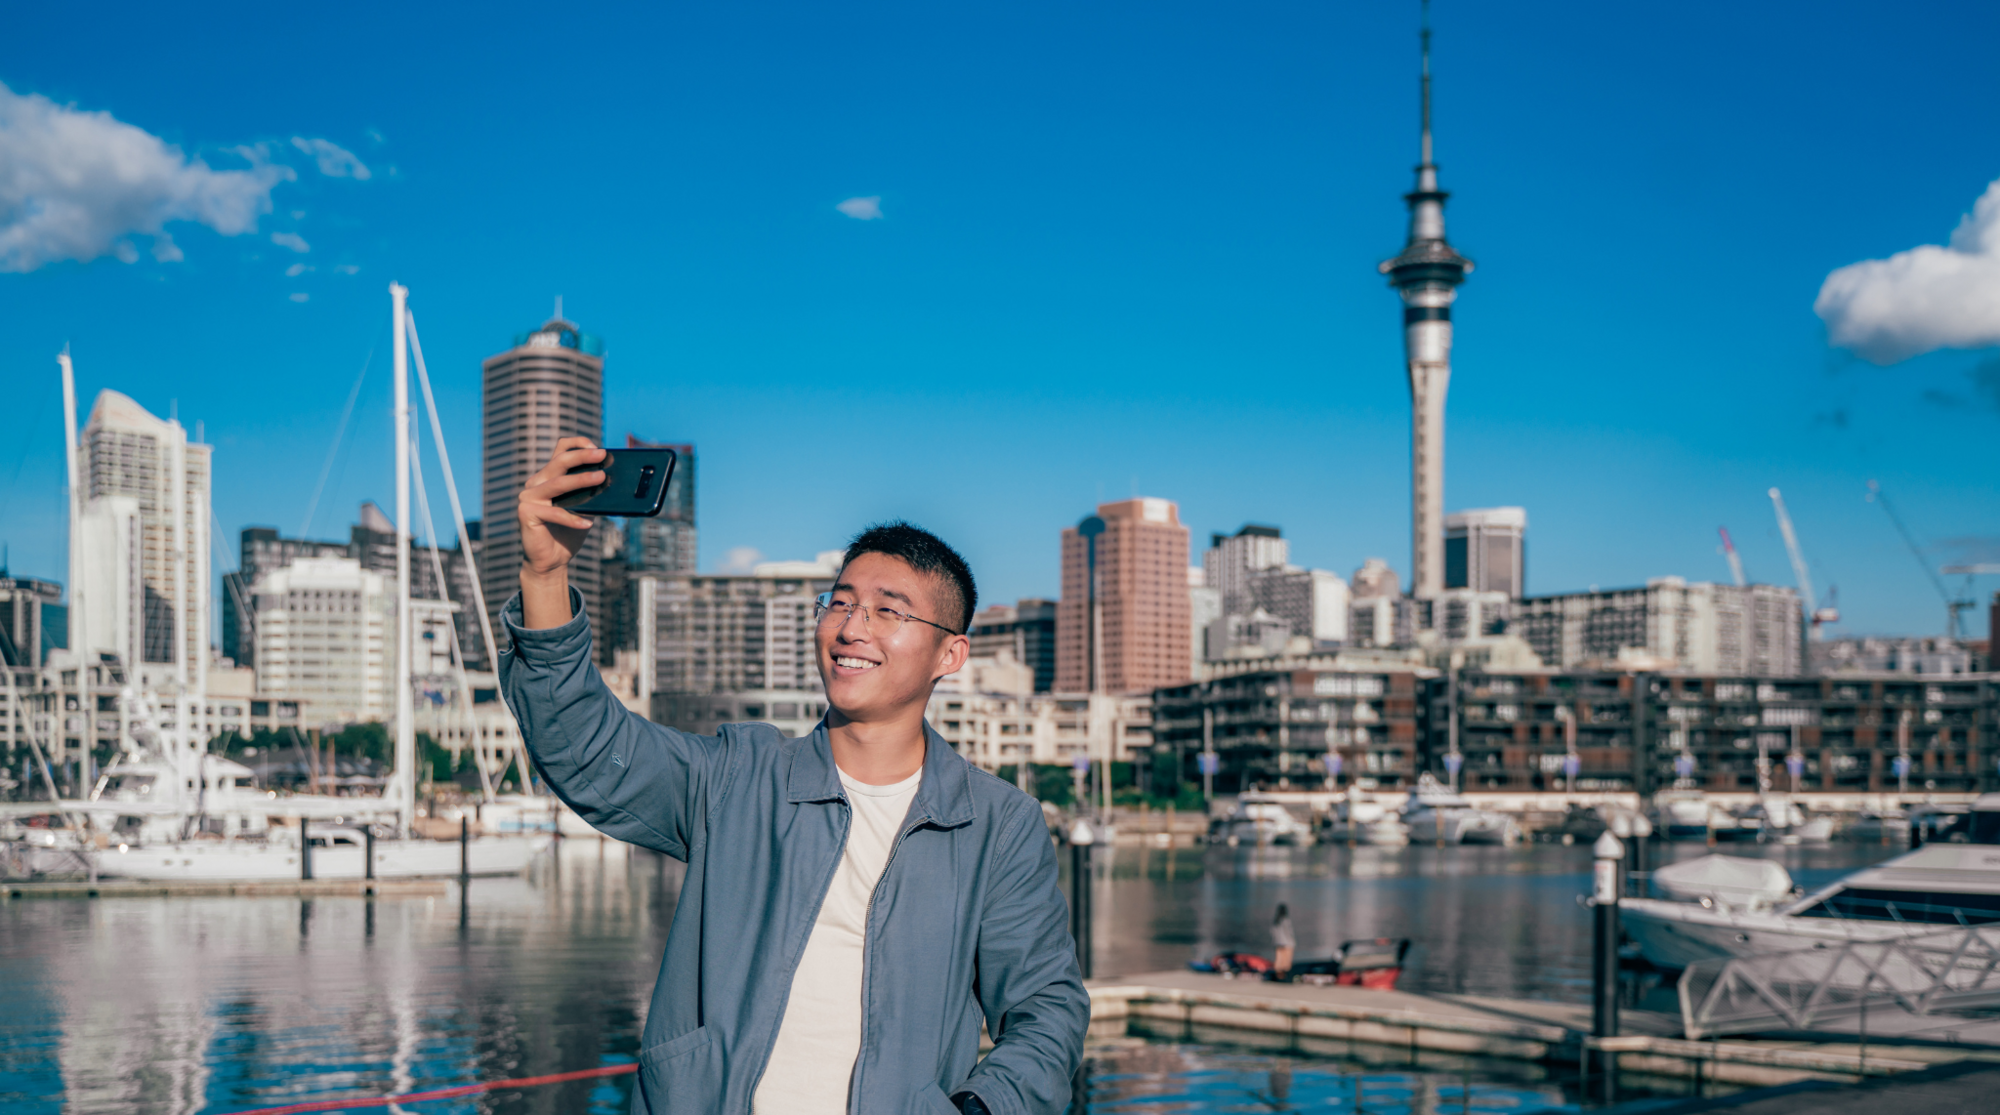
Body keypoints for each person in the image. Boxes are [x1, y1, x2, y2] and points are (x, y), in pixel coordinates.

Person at [500, 439, 1089, 1115]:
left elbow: (1047, 1010)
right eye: (839, 602)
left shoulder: (997, 822)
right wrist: (543, 576)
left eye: (889, 610)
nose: (850, 626)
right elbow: (584, 747)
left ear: (950, 653)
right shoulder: (737, 776)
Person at [1271, 903, 1295, 978]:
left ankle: (1278, 976)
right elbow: (1289, 932)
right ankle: (1285, 976)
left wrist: (1275, 941)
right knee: (1286, 961)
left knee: (1279, 961)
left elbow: (1272, 932)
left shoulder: (1275, 920)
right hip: (1287, 942)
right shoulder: (1286, 920)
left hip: (1278, 943)